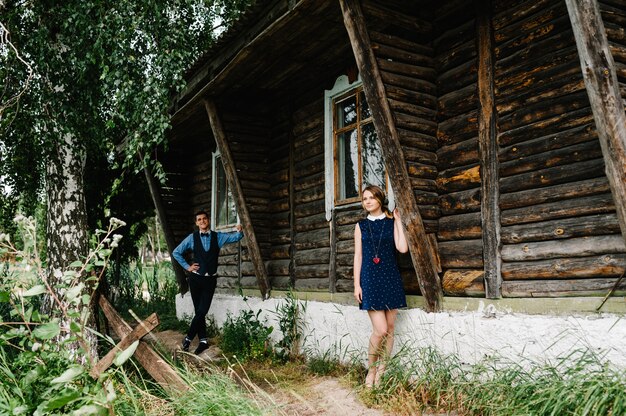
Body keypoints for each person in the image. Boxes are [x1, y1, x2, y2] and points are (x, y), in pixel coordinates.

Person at [353, 185, 408, 387]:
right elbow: (358, 256)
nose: (367, 201)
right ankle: (371, 371)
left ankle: (382, 372)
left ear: (379, 199)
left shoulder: (391, 222)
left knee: (390, 328)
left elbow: (402, 248)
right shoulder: (360, 226)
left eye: (371, 198)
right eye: (364, 198)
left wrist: (399, 221)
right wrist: (356, 284)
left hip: (391, 278)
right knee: (380, 330)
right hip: (370, 280)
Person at [172, 210, 243, 354]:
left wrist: (240, 231)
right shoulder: (192, 238)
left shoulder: (218, 237)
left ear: (208, 220)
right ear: (196, 223)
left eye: (204, 218)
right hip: (196, 279)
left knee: (202, 310)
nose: (202, 221)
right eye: (199, 219)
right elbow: (176, 252)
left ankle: (188, 338)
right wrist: (188, 267)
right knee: (199, 311)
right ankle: (203, 340)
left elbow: (235, 237)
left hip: (210, 279)